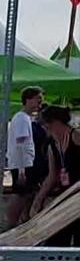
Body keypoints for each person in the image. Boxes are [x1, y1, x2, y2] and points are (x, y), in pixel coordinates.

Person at [32, 104, 80, 245]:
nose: (45, 129)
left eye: (46, 125)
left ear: (55, 122)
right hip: (65, 195)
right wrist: (38, 200)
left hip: (77, 195)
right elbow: (52, 176)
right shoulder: (53, 146)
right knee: (57, 234)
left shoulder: (76, 137)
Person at [7, 86, 44, 227]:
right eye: (37, 99)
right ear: (28, 100)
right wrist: (22, 170)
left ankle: (22, 220)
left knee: (28, 193)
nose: (40, 102)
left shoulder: (27, 118)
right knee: (20, 194)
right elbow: (20, 143)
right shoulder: (21, 118)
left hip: (26, 162)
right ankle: (12, 223)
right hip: (22, 163)